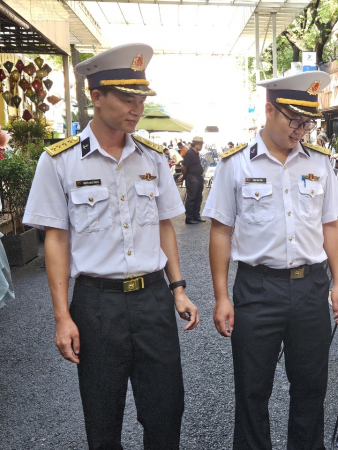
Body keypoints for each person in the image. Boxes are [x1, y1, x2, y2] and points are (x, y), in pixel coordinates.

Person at [22, 43, 199, 450]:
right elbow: (57, 239)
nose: (136, 108)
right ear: (96, 96)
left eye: (141, 98)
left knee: (166, 414)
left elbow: (164, 227)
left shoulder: (152, 158)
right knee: (103, 423)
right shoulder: (60, 162)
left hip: (153, 298)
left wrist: (178, 289)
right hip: (97, 305)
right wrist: (62, 316)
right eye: (126, 98)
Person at [203, 71, 338, 450]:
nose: (301, 130)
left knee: (310, 388)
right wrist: (221, 296)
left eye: (307, 122)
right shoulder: (236, 164)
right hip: (256, 288)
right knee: (252, 391)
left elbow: (330, 224)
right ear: (269, 110)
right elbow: (220, 231)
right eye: (294, 121)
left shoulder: (319, 162)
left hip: (310, 286)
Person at [181, 136, 206, 224]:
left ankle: (196, 215)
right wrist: (184, 176)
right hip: (192, 177)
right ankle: (189, 217)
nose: (202, 146)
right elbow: (184, 166)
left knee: (198, 197)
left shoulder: (195, 153)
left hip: (198, 176)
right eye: (201, 144)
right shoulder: (190, 153)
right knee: (191, 198)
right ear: (196, 144)